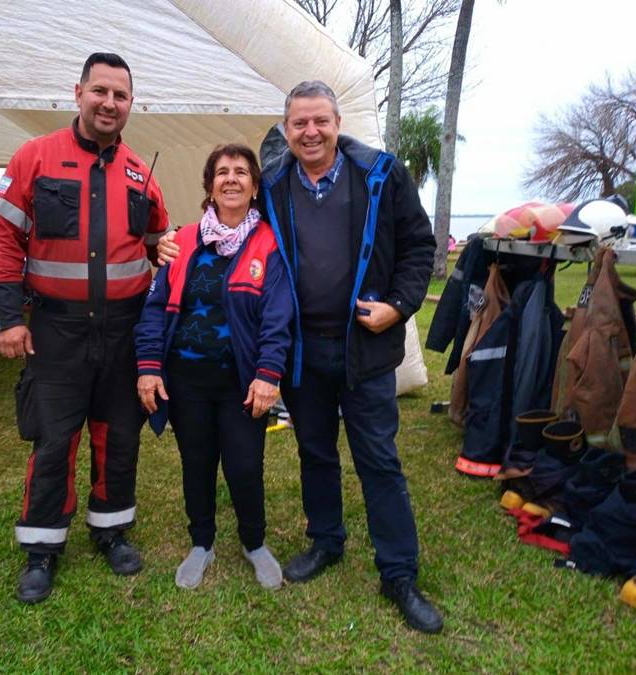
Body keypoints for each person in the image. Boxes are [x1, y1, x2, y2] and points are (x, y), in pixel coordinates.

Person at [157, 81, 441, 632]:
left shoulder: (380, 175)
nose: (310, 132)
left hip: (365, 346)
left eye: (320, 121)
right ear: (286, 130)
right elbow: (227, 225)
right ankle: (326, 541)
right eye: (299, 124)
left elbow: (418, 246)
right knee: (315, 451)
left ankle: (399, 574)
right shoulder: (275, 184)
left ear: (337, 124)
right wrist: (169, 243)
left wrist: (400, 305)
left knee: (379, 460)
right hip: (303, 351)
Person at [0, 52, 169, 604]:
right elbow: (2, 239)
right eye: (100, 91)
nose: (110, 103)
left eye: (121, 95)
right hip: (56, 330)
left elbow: (159, 245)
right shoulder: (34, 158)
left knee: (119, 436)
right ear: (79, 93)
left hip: (123, 331)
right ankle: (42, 548)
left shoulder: (141, 173)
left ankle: (112, 531)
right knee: (54, 438)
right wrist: (8, 318)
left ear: (131, 104)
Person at [134, 144, 293, 590]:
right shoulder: (182, 240)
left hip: (241, 382)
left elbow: (278, 317)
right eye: (222, 172)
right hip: (186, 382)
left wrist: (268, 374)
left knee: (244, 466)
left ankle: (254, 543)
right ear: (209, 185)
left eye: (241, 172)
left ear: (255, 187)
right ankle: (201, 542)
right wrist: (148, 366)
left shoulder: (270, 244)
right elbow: (154, 309)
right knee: (196, 463)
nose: (231, 179)